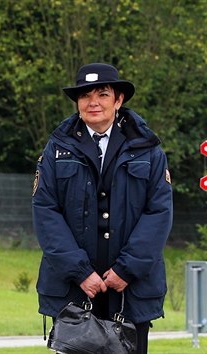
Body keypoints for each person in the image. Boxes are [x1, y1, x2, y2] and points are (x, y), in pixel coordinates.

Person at [32, 62, 173, 353]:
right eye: (85, 96)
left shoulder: (147, 149)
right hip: (73, 289)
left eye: (102, 94)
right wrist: (80, 271)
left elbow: (158, 213)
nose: (93, 102)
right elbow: (46, 211)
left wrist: (126, 268)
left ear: (118, 100)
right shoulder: (58, 148)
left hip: (130, 291)